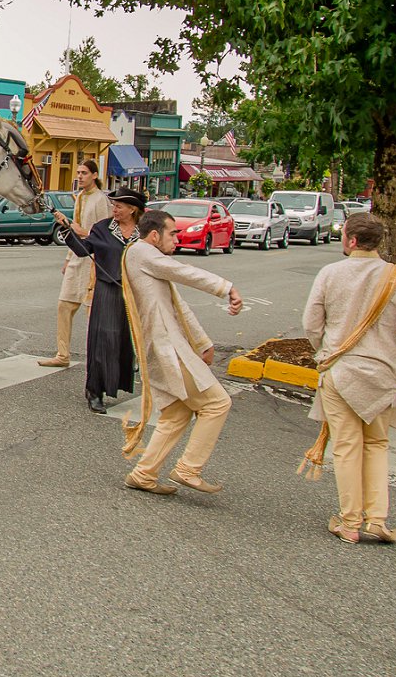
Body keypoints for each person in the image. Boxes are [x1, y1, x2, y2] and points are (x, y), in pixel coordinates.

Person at [300, 211, 396, 543]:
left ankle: (350, 522)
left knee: (347, 446)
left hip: (341, 371)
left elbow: (311, 322)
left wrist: (325, 350)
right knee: (378, 445)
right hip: (383, 375)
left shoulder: (330, 273)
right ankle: (377, 519)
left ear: (352, 240)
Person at [118, 208, 245, 495]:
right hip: (167, 348)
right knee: (217, 404)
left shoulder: (147, 257)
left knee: (176, 414)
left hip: (165, 345)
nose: (178, 239)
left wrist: (202, 343)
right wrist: (227, 287)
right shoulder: (142, 252)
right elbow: (184, 273)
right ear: (154, 235)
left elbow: (177, 304)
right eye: (173, 233)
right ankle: (188, 469)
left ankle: (144, 473)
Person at [53, 186, 147, 411]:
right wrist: (68, 230)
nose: (114, 209)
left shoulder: (144, 231)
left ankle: (116, 383)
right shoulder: (103, 228)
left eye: (119, 206)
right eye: (113, 205)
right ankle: (94, 391)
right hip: (107, 290)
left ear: (133, 209)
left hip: (133, 292)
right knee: (103, 340)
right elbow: (84, 250)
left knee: (124, 340)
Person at [39, 159, 112, 372]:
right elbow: (75, 232)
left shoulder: (101, 201)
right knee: (64, 306)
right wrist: (68, 258)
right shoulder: (79, 197)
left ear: (95, 175)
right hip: (77, 258)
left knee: (92, 314)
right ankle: (63, 354)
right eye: (78, 172)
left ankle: (98, 360)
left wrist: (76, 227)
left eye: (85, 173)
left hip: (94, 261)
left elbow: (102, 235)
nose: (80, 176)